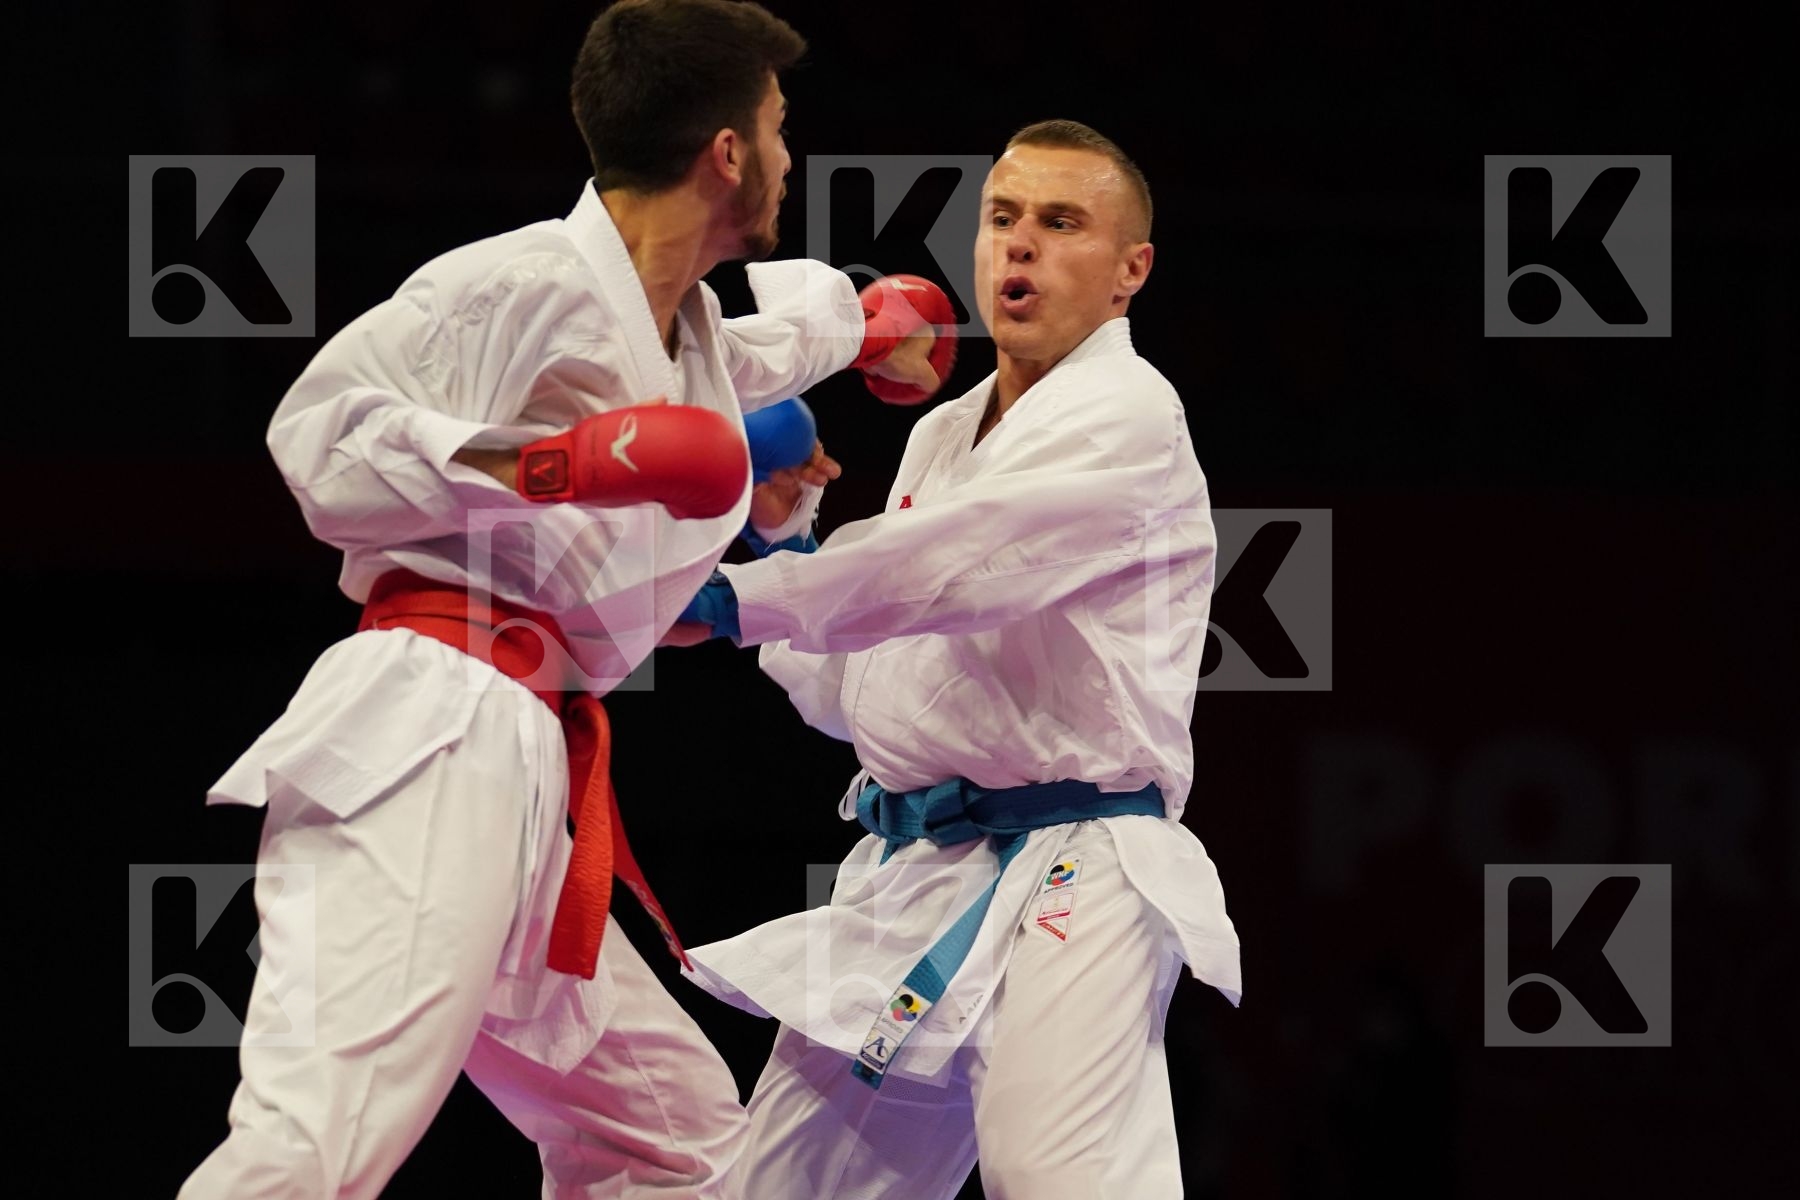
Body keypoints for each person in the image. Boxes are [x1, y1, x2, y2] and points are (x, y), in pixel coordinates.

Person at [178, 2, 954, 1196]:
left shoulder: (683, 335)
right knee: (316, 1139)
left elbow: (767, 349)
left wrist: (875, 321)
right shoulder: (519, 282)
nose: (794, 159)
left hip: (531, 764)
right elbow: (319, 438)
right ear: (730, 151)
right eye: (781, 129)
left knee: (677, 1149)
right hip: (430, 727)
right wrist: (559, 463)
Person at [671, 119, 1243, 1199]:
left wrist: (744, 600)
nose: (1018, 246)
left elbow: (956, 563)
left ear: (1132, 271)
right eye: (1002, 219)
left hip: (1077, 867)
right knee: (781, 1189)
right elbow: (867, 692)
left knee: (1058, 1178)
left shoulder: (1130, 415)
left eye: (1060, 223)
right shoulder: (943, 435)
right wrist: (785, 545)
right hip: (918, 880)